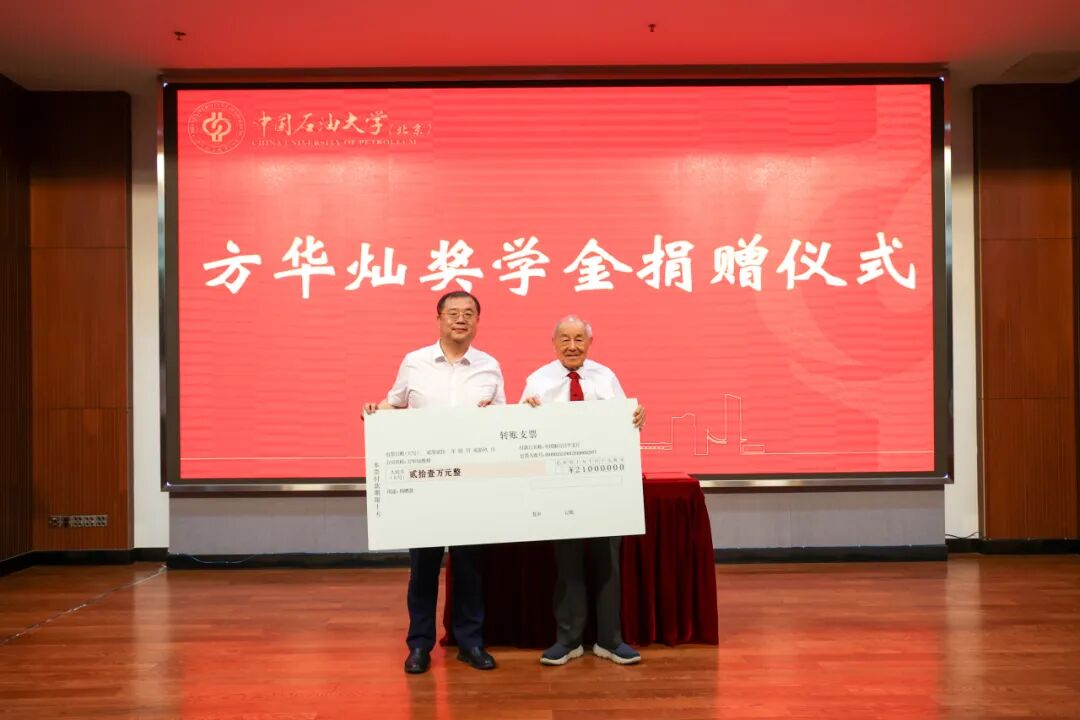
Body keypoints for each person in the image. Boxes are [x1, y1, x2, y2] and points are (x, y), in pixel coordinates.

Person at [363, 290, 504, 675]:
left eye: (469, 313)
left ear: (477, 321)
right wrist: (376, 412)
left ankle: (470, 642)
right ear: (439, 319)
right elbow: (394, 403)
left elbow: (501, 418)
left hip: (471, 483)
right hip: (424, 483)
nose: (461, 319)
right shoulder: (415, 362)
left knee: (469, 568)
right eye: (453, 313)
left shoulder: (489, 366)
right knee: (423, 567)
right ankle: (419, 645)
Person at [520, 315, 646, 666]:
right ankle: (568, 640)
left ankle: (610, 640)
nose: (572, 346)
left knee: (608, 564)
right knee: (568, 564)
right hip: (558, 486)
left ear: (590, 342)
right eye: (565, 339)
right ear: (554, 343)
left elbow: (624, 423)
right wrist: (525, 414)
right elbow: (520, 432)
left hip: (603, 485)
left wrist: (636, 417)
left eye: (579, 339)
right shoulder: (538, 380)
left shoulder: (606, 377)